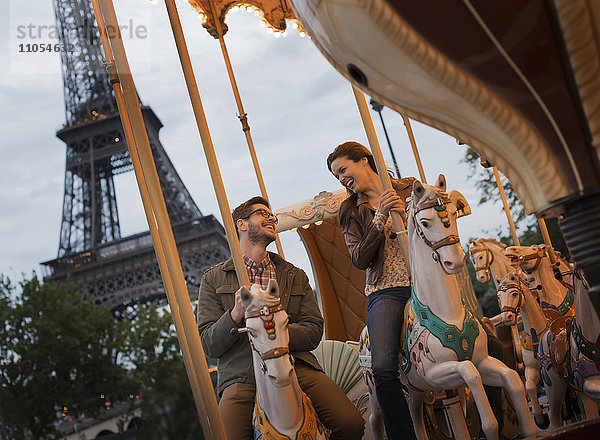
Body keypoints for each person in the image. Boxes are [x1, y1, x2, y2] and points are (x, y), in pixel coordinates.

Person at [197, 196, 365, 440]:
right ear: (241, 224)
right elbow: (209, 343)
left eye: (272, 216)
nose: (271, 219)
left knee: (350, 424)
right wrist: (234, 315)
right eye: (262, 213)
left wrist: (275, 333)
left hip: (294, 364)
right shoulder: (214, 279)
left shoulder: (293, 275)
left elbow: (314, 329)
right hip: (242, 375)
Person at [327, 141, 417, 440]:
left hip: (423, 282)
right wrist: (379, 217)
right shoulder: (351, 210)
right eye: (336, 176)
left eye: (342, 170)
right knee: (383, 369)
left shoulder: (407, 188)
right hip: (387, 288)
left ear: (364, 160)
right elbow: (359, 258)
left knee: (488, 345)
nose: (340, 179)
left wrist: (410, 213)